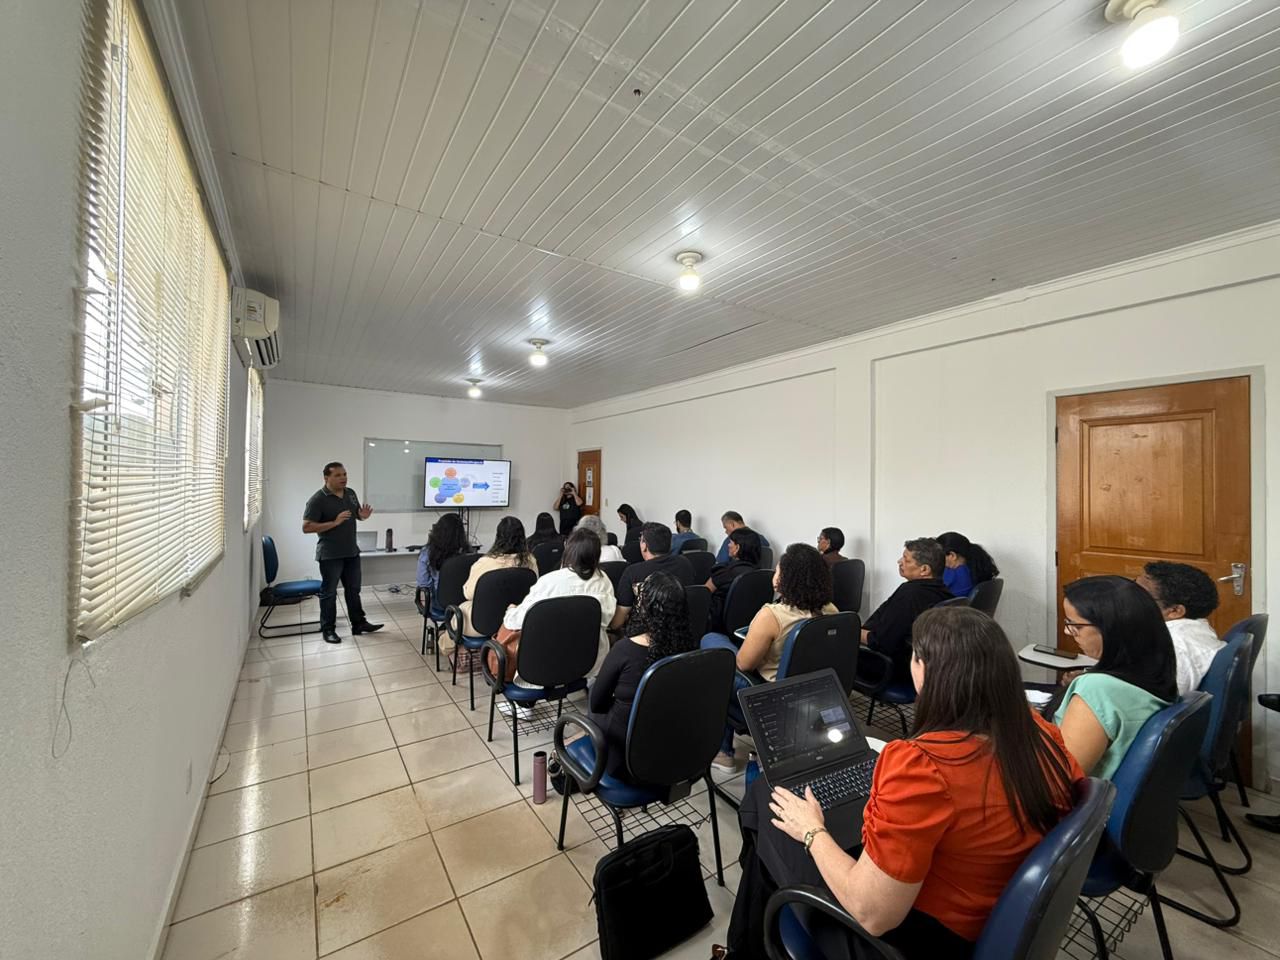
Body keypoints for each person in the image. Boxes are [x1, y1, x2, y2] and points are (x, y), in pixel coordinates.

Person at [718, 606, 1083, 959]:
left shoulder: (921, 766)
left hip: (911, 940)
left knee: (767, 804)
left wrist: (813, 832)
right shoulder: (1042, 733)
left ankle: (743, 948)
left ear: (925, 671)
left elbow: (871, 914)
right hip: (990, 914)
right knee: (773, 820)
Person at [701, 543, 838, 771]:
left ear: (786, 579)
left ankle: (723, 751)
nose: (774, 575)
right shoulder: (832, 610)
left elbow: (744, 664)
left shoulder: (772, 615)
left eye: (778, 571)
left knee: (713, 647)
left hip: (771, 696)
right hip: (813, 694)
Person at [1051, 575, 1177, 779]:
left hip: (1071, 802)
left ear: (1111, 629)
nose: (1067, 631)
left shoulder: (1097, 689)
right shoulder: (1152, 672)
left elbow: (1058, 780)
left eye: (1075, 625)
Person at [587, 571, 697, 777]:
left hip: (623, 761)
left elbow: (597, 704)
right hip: (671, 753)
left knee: (594, 690)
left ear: (644, 608)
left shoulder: (624, 650)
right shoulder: (691, 650)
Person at [302, 462, 382, 644]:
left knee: (354, 590)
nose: (343, 478)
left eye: (344, 474)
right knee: (329, 593)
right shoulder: (317, 500)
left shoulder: (350, 493)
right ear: (326, 478)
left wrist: (362, 516)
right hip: (330, 554)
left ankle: (359, 623)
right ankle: (328, 629)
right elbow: (306, 527)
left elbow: (356, 515)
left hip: (351, 552)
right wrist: (334, 522)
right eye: (338, 475)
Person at [502, 529, 617, 651]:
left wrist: (511, 611)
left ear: (567, 547)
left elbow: (515, 622)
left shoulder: (548, 582)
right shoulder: (604, 580)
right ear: (597, 554)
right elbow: (608, 619)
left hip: (547, 660)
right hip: (593, 661)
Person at [859, 539, 951, 684]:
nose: (899, 562)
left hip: (891, 668)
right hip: (921, 666)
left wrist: (852, 632)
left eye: (906, 560)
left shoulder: (910, 594)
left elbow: (880, 642)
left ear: (924, 570)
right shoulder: (943, 592)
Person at [447, 516, 538, 647]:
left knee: (459, 612)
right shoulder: (531, 561)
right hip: (517, 622)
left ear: (498, 536)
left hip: (483, 624)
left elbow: (468, 594)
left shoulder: (485, 562)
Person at [1136, 561, 1224, 695]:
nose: (1127, 596)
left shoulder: (1172, 648)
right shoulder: (1197, 628)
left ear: (1175, 611)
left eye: (1140, 594)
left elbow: (1144, 703)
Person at [609, 523, 697, 631]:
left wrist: (610, 629)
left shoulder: (633, 572)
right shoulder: (685, 563)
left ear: (644, 546)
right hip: (680, 629)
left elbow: (620, 617)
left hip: (646, 635)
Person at [705, 527, 762, 633]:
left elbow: (704, 593)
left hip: (718, 627)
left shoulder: (725, 572)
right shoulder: (761, 573)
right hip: (748, 626)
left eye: (731, 542)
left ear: (737, 548)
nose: (728, 545)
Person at [416, 513, 468, 613]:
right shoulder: (468, 553)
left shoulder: (428, 552)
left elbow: (423, 583)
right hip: (465, 603)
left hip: (441, 604)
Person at [935, 532, 999, 599]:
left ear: (952, 555)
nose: (937, 560)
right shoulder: (975, 568)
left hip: (950, 608)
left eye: (939, 556)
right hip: (966, 608)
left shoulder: (952, 574)